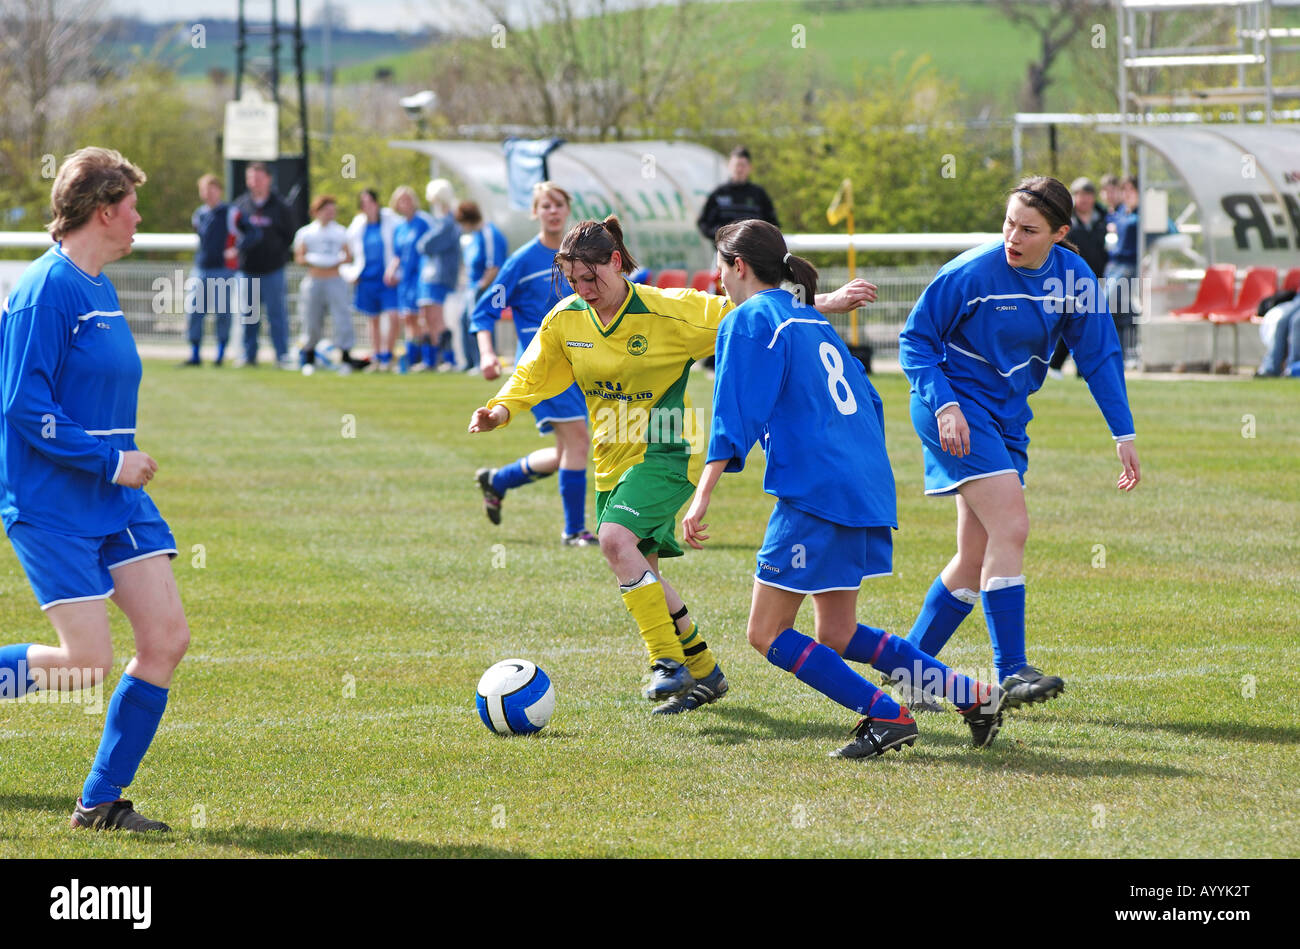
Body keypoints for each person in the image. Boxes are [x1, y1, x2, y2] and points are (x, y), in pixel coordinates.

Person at [468, 215, 874, 714]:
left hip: (661, 454)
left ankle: (665, 662)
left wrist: (826, 302)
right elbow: (532, 372)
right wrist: (500, 409)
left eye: (591, 278)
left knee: (615, 541)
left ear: (616, 262)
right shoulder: (566, 321)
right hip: (609, 461)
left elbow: (748, 309)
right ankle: (706, 674)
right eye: (573, 281)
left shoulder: (668, 310)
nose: (583, 290)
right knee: (645, 574)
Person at [680, 220, 1004, 758]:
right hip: (863, 482)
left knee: (766, 632)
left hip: (817, 491)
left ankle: (886, 715)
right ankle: (973, 696)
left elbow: (731, 412)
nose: (717, 277)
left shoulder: (750, 319)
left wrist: (703, 492)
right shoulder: (811, 320)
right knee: (837, 631)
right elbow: (870, 401)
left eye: (719, 265)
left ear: (738, 266)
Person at [898, 175, 1141, 711]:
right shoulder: (970, 271)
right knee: (1012, 524)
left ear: (1059, 233)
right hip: (952, 408)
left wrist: (1122, 432)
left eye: (1028, 229)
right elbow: (915, 340)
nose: (1012, 236)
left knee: (974, 555)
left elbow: (1099, 355)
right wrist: (945, 404)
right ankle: (1011, 671)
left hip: (1006, 416)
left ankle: (909, 671)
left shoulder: (1074, 277)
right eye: (1008, 223)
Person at [0, 147, 190, 832]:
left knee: (166, 637)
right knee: (85, 661)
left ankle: (100, 803)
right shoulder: (45, 289)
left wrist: (116, 468)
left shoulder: (100, 283)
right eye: (133, 205)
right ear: (105, 210)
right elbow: (24, 402)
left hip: (114, 499)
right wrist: (111, 461)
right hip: (53, 501)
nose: (140, 217)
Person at [470, 182, 596, 547]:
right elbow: (484, 312)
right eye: (545, 205)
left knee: (565, 454)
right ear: (535, 212)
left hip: (580, 365)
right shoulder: (522, 261)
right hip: (543, 367)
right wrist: (488, 353)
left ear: (567, 209)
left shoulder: (583, 257)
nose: (553, 211)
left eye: (558, 204)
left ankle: (498, 481)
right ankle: (574, 530)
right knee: (578, 441)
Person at [231, 161, 296, 369]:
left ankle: (282, 355)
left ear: (268, 179)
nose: (254, 182)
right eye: (251, 177)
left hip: (273, 271)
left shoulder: (281, 205)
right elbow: (234, 234)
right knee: (248, 316)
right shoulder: (241, 205)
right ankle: (249, 356)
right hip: (247, 270)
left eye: (258, 177)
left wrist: (276, 253)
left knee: (277, 315)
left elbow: (289, 235)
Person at [292, 194, 367, 375]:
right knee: (311, 319)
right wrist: (316, 261)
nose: (329, 214)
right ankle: (308, 357)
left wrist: (334, 262)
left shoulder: (341, 232)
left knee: (342, 318)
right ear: (316, 212)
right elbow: (299, 257)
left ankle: (345, 358)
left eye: (332, 210)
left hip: (335, 280)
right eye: (326, 210)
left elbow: (348, 256)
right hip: (314, 280)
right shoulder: (306, 233)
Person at [1048, 177, 1110, 378]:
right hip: (1069, 279)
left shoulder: (1105, 219)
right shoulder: (1065, 221)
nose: (1083, 200)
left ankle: (1079, 369)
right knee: (1070, 322)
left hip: (1098, 278)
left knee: (1088, 325)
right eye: (1079, 195)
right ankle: (1056, 364)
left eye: (1087, 195)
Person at [342, 188, 400, 371]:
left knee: (394, 316)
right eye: (363, 203)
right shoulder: (358, 224)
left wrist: (396, 269)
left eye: (370, 202)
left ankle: (388, 356)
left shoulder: (390, 220)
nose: (367, 206)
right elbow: (347, 249)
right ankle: (376, 357)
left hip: (387, 279)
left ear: (376, 202)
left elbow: (399, 247)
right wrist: (350, 272)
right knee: (372, 319)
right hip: (367, 278)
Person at [181, 173, 235, 367]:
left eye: (211, 189)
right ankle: (195, 353)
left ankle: (220, 354)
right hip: (201, 269)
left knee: (222, 312)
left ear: (219, 190)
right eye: (204, 190)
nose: (208, 194)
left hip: (223, 270)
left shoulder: (230, 212)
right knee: (195, 310)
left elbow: (251, 234)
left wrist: (235, 249)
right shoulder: (200, 214)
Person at [383, 185, 434, 372]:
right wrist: (391, 269)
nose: (405, 203)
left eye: (408, 199)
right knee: (408, 318)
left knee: (423, 317)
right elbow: (398, 253)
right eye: (401, 200)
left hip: (420, 276)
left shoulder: (423, 222)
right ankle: (413, 358)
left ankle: (428, 358)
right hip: (405, 279)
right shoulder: (399, 227)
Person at [455, 200, 508, 373]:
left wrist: (480, 287)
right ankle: (469, 362)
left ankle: (482, 361)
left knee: (479, 321)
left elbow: (494, 266)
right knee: (464, 320)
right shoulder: (474, 237)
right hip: (471, 287)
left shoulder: (488, 233)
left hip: (485, 289)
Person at [414, 178, 461, 371]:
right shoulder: (440, 220)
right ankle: (431, 359)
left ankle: (448, 359)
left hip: (439, 275)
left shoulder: (448, 222)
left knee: (436, 316)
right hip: (429, 274)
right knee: (427, 315)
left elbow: (425, 245)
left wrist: (425, 245)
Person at [696, 146, 780, 242]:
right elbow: (703, 224)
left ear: (750, 167)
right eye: (736, 165)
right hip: (725, 252)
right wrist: (723, 237)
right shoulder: (718, 194)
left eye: (743, 165)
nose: (739, 169)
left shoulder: (759, 195)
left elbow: (773, 225)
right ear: (729, 166)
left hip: (752, 253)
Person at [1105, 176, 1141, 364]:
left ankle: (1129, 352)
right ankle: (1119, 353)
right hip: (1113, 266)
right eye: (1124, 190)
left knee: (1106, 304)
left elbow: (1169, 228)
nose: (1126, 194)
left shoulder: (1142, 214)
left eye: (1131, 190)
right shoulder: (1121, 212)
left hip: (1129, 266)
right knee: (1117, 311)